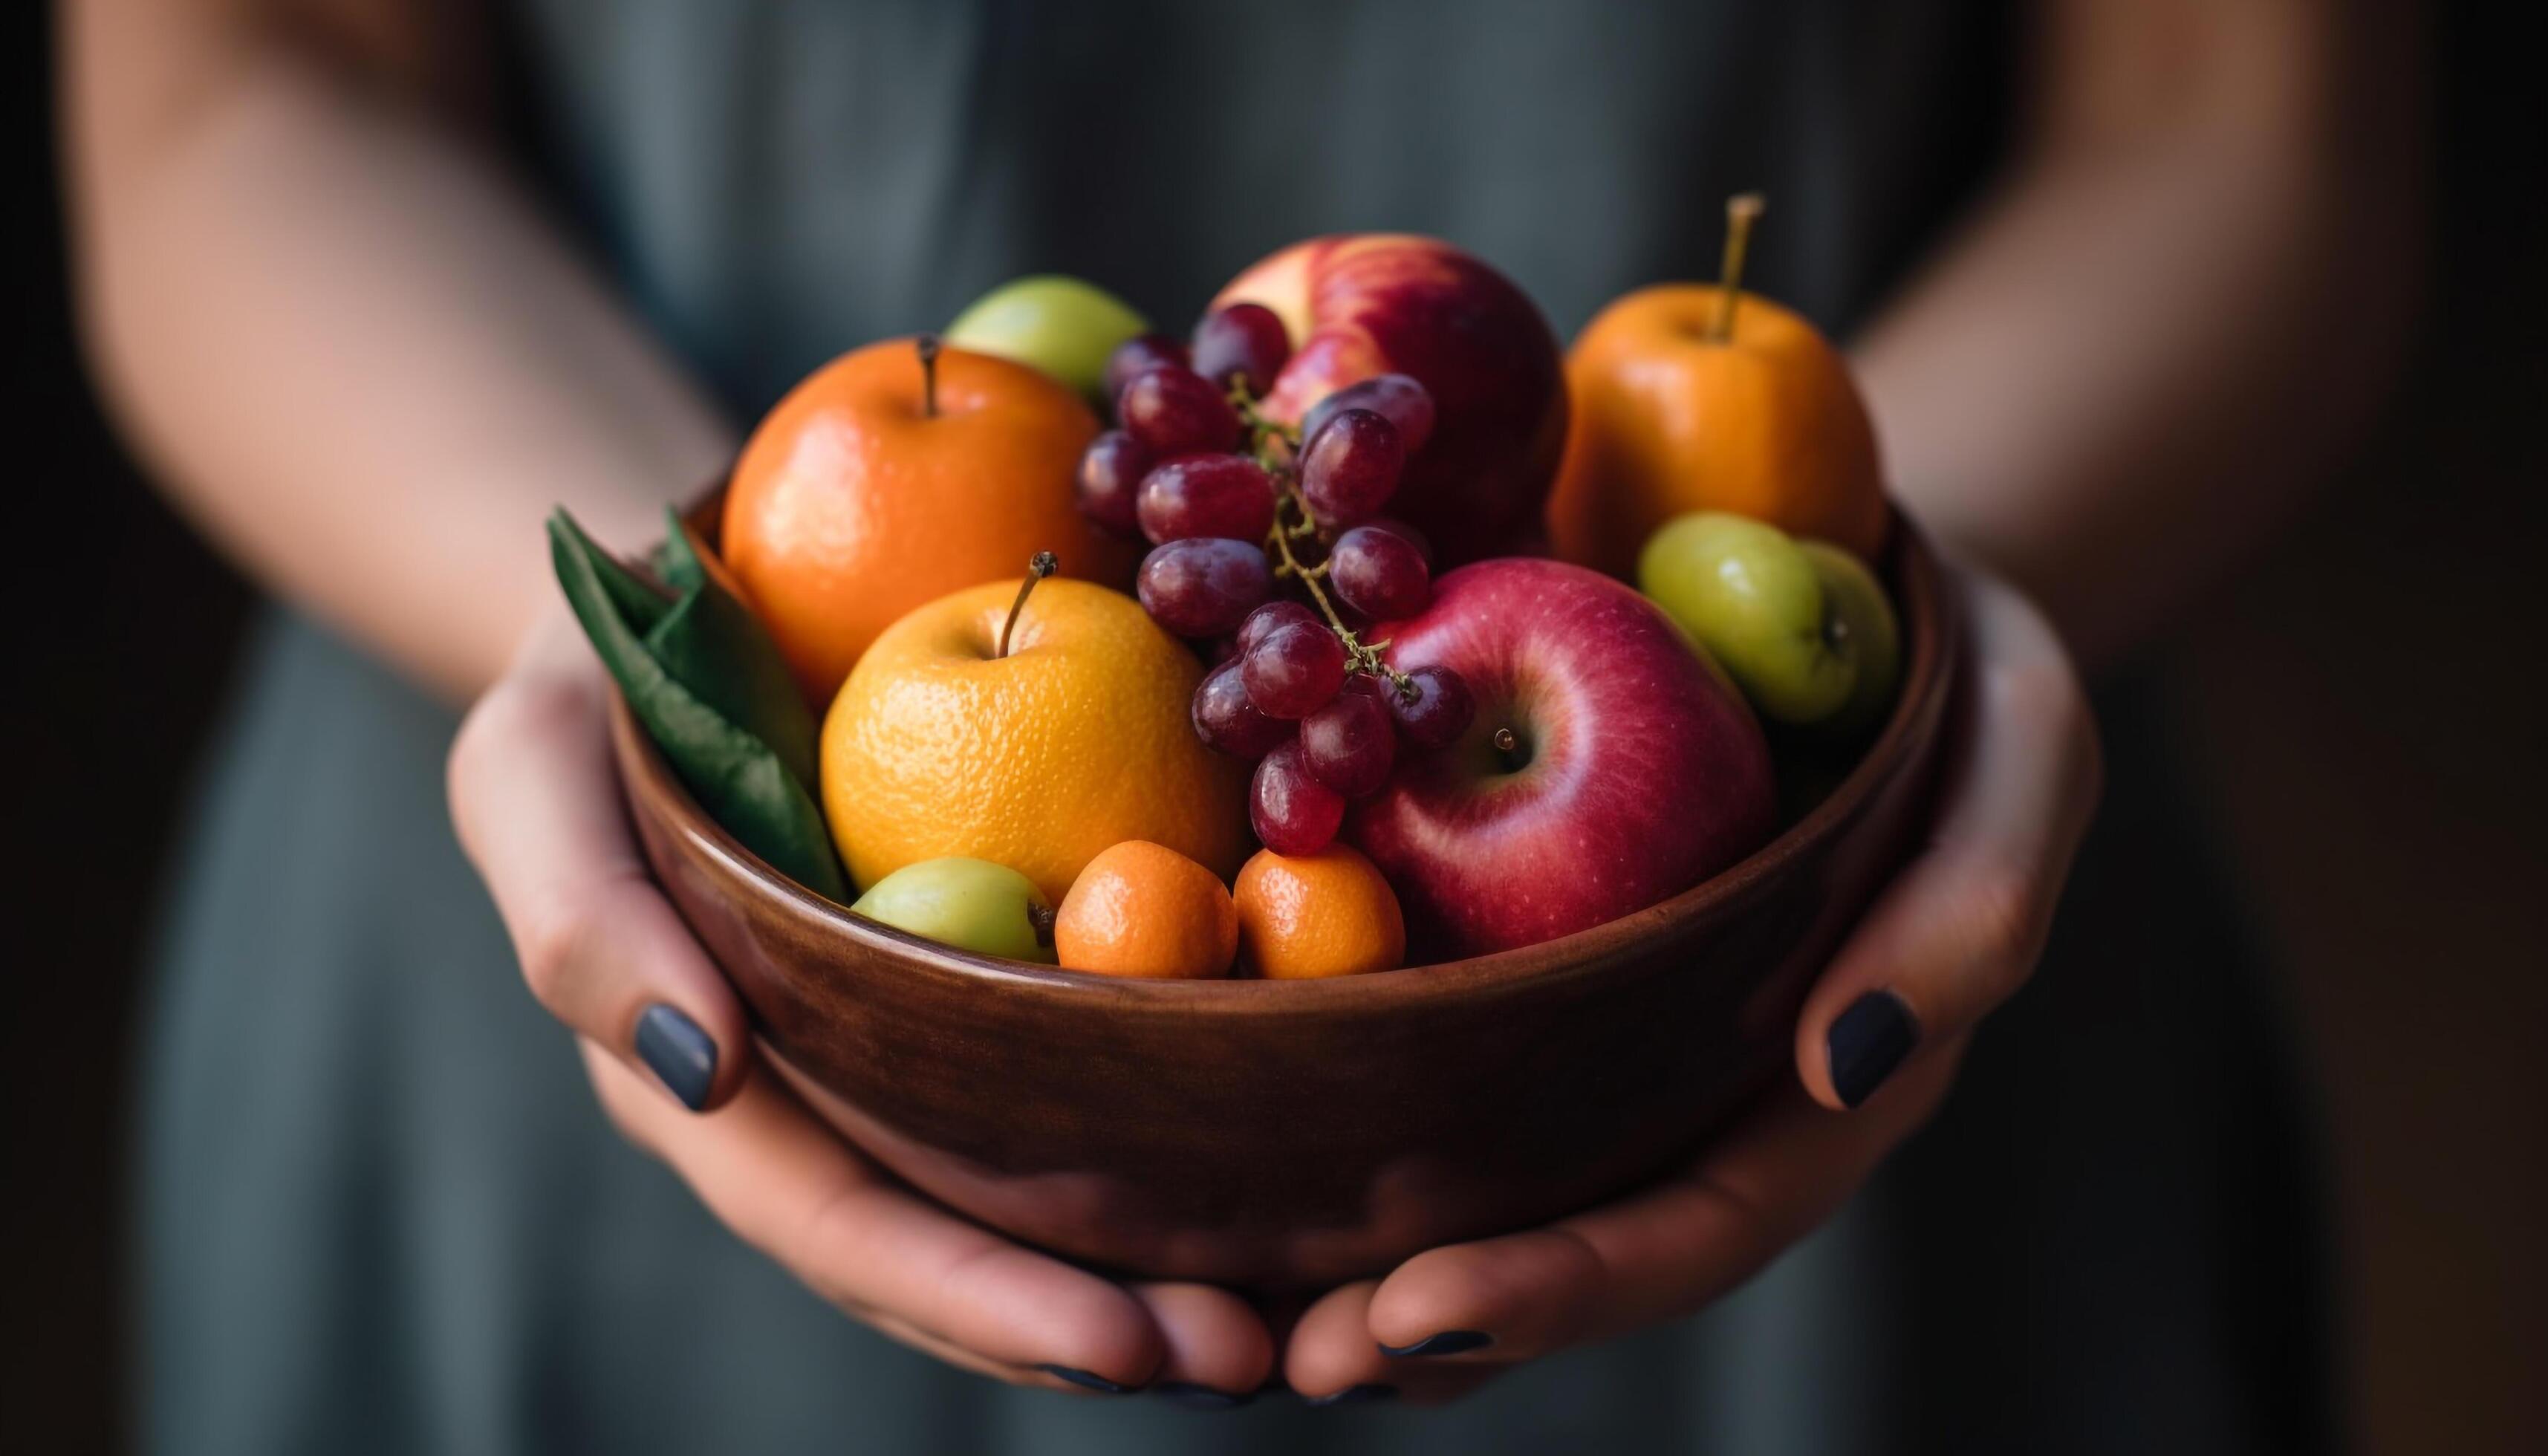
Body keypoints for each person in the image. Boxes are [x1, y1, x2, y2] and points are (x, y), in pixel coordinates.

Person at [63, 0, 2414, 1449]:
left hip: (1780, 984)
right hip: (617, 984)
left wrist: (1912, 621)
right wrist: (637, 657)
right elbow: (236, 94)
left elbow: (2234, 118)